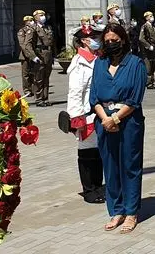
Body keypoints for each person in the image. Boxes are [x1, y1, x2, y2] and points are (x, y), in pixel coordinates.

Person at [89, 23, 146, 233]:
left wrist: (116, 119)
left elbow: (135, 98)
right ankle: (116, 211)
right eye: (107, 41)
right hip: (104, 121)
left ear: (123, 40)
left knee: (129, 166)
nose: (111, 44)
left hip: (128, 121)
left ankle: (131, 212)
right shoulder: (99, 63)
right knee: (110, 167)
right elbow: (93, 96)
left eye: (115, 40)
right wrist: (105, 119)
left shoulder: (136, 64)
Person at [58, 24, 105, 204]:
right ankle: (89, 190)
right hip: (85, 115)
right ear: (85, 40)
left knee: (98, 151)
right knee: (86, 152)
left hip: (98, 112)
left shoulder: (96, 58)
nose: (97, 40)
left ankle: (98, 185)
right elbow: (75, 92)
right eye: (93, 37)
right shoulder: (79, 63)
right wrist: (76, 117)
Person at [33, 9, 56, 107]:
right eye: (40, 15)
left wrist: (53, 55)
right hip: (40, 54)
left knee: (46, 77)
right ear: (36, 17)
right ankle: (38, 99)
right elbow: (29, 44)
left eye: (44, 15)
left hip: (48, 54)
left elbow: (52, 42)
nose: (43, 17)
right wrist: (33, 56)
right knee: (39, 78)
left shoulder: (48, 27)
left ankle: (45, 98)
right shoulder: (33, 29)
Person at [17, 16, 37, 98]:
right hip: (25, 55)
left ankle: (33, 89)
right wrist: (29, 55)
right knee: (26, 74)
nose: (31, 22)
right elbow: (22, 44)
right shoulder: (22, 31)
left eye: (32, 20)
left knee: (33, 73)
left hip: (34, 54)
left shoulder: (34, 30)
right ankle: (27, 90)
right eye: (29, 21)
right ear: (25, 22)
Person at [138, 11, 155, 89]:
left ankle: (152, 82)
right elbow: (141, 38)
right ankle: (148, 83)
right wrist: (148, 46)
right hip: (147, 49)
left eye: (152, 15)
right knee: (148, 67)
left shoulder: (154, 26)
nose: (152, 17)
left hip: (154, 48)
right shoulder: (145, 26)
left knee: (153, 65)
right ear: (146, 18)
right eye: (150, 16)